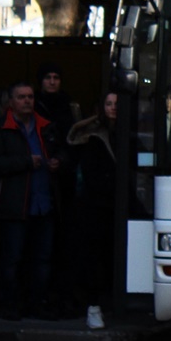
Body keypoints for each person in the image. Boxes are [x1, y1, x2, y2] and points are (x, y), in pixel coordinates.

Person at [0, 81, 63, 320]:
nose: (27, 101)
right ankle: (8, 304)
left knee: (42, 259)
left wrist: (58, 160)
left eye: (29, 96)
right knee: (12, 259)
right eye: (21, 97)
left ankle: (36, 304)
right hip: (15, 204)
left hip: (43, 204)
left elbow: (62, 151)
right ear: (11, 102)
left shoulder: (46, 127)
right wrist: (26, 162)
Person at [68, 93, 118, 329]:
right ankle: (93, 307)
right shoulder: (93, 138)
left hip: (119, 209)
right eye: (108, 104)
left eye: (117, 104)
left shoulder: (131, 133)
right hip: (97, 209)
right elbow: (92, 177)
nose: (113, 108)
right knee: (95, 259)